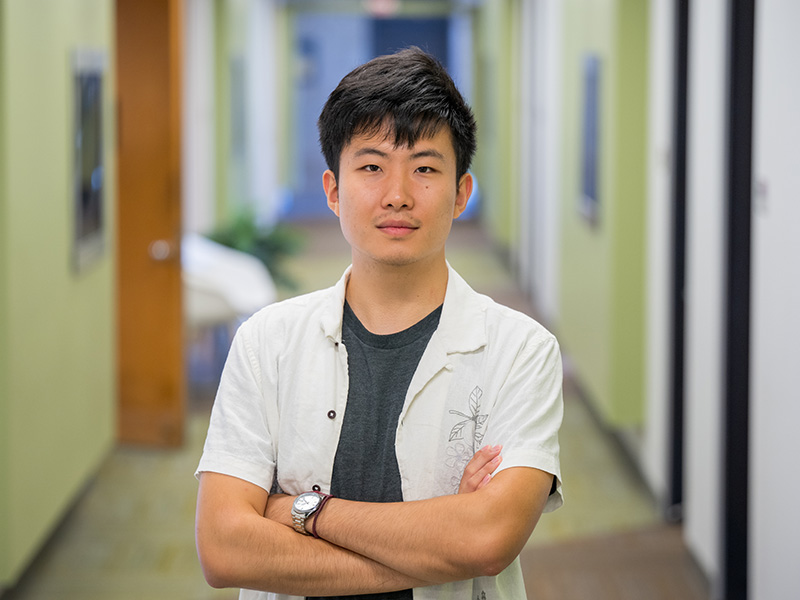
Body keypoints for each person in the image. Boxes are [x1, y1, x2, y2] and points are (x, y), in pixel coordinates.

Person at [195, 47, 563, 600]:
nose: (397, 195)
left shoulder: (522, 351)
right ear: (333, 191)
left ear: (461, 192)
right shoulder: (265, 343)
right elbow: (224, 549)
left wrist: (302, 512)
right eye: (371, 167)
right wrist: (442, 545)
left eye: (424, 168)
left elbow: (488, 539)